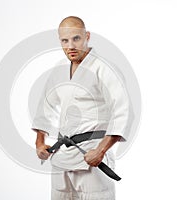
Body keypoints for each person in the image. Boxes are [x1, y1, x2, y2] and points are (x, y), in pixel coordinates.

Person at [32, 16, 132, 200]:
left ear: (87, 36)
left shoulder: (104, 68)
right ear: (59, 40)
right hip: (62, 157)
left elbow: (122, 112)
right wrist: (39, 143)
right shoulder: (60, 68)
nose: (70, 45)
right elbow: (45, 108)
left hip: (92, 155)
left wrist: (101, 151)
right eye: (65, 40)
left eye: (76, 38)